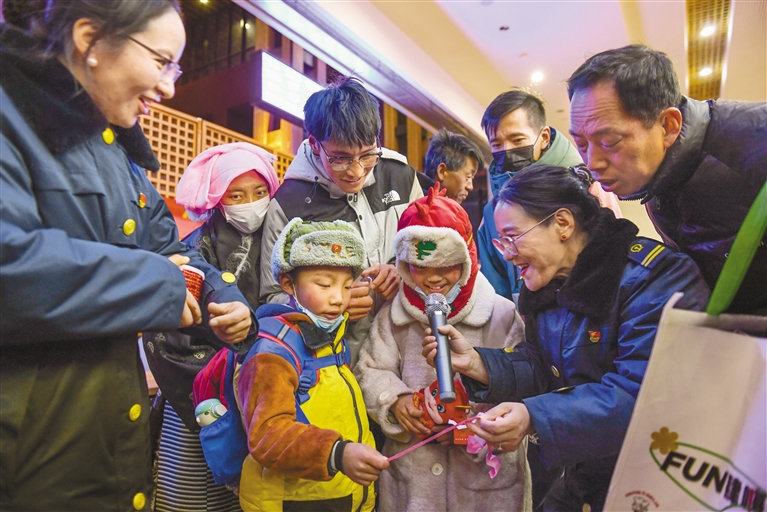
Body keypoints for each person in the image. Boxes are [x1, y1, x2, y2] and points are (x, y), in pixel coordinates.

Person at [0, 1, 255, 510]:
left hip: (106, 445)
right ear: (89, 39)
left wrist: (222, 300)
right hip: (30, 457)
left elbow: (170, 250)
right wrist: (160, 284)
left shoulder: (119, 154)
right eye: (162, 62)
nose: (169, 87)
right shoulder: (13, 118)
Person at [423, 164, 710, 512]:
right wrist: (479, 363)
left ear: (562, 223)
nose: (507, 254)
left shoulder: (656, 277)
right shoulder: (549, 285)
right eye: (501, 242)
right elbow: (545, 365)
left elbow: (645, 393)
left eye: (513, 237)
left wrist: (535, 415)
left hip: (657, 477)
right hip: (585, 473)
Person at [355, 185, 530, 512]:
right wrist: (395, 401)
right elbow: (370, 370)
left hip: (486, 486)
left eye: (445, 266)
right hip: (414, 482)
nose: (433, 279)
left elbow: (522, 387)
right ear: (404, 264)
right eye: (421, 267)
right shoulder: (393, 316)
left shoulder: (501, 315)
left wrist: (474, 427)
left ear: (467, 259)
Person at [567, 44, 767, 314]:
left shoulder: (756, 142)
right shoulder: (657, 175)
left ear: (668, 126)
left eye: (610, 141)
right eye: (581, 144)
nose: (593, 163)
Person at [145, 142, 280, 511]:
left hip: (269, 401)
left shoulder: (281, 246)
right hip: (200, 402)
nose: (250, 203)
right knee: (194, 497)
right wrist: (230, 387)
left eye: (259, 192)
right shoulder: (192, 250)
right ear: (218, 199)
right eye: (237, 195)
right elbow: (166, 337)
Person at [259, 76, 423, 366]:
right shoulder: (288, 205)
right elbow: (271, 298)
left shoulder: (402, 177)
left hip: (407, 347)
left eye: (367, 154)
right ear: (314, 144)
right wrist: (330, 304)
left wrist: (403, 271)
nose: (356, 171)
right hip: (334, 361)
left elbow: (427, 248)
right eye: (340, 158)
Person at [237, 218, 389, 511]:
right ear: (288, 284)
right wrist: (337, 453)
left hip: (337, 496)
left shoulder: (332, 340)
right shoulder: (272, 352)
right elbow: (267, 434)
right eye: (324, 285)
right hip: (292, 501)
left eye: (347, 287)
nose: (338, 299)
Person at [476, 89, 622, 304]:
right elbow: (496, 293)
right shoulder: (491, 214)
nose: (508, 150)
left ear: (543, 138)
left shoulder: (585, 187)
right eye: (497, 144)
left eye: (517, 140)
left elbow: (614, 254)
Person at [423, 129, 484, 204]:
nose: (470, 187)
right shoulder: (418, 207)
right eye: (468, 177)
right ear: (442, 172)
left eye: (472, 178)